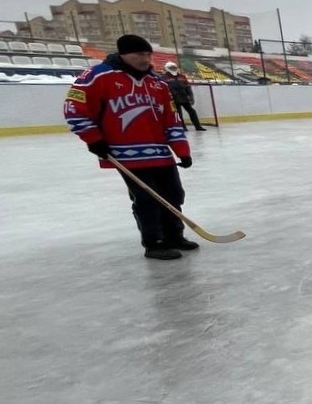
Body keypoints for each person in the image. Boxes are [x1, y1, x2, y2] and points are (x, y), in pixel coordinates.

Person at [63, 34, 197, 260]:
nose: (145, 59)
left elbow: (171, 119)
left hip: (160, 153)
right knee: (147, 199)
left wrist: (182, 151)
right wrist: (94, 139)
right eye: (139, 54)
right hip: (125, 155)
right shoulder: (96, 77)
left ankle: (175, 236)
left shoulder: (158, 83)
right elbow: (74, 110)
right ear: (123, 53)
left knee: (173, 194)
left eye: (148, 54)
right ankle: (154, 243)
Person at [163, 62, 206, 131]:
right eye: (172, 68)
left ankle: (198, 126)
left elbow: (188, 87)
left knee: (192, 111)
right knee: (179, 113)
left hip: (184, 97)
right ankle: (183, 127)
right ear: (167, 68)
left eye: (174, 67)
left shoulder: (182, 76)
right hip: (173, 99)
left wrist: (191, 96)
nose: (174, 69)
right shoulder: (164, 77)